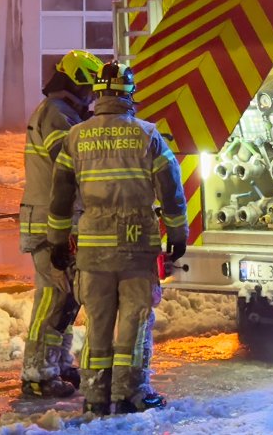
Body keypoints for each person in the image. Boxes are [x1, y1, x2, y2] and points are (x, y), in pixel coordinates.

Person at [47, 61, 186, 416]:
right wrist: (178, 234)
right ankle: (130, 394)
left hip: (93, 250)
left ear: (97, 94)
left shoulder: (75, 136)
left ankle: (95, 396)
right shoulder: (147, 134)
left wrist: (58, 241)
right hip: (137, 247)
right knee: (134, 321)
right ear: (130, 95)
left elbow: (61, 196)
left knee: (98, 320)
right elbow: (171, 190)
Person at [18, 49, 103, 398]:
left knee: (66, 298)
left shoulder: (65, 112)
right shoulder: (57, 114)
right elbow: (70, 165)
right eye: (91, 89)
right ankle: (37, 372)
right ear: (77, 83)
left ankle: (58, 362)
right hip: (47, 223)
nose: (93, 96)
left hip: (58, 221)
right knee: (54, 297)